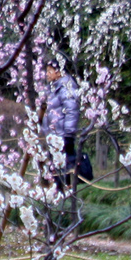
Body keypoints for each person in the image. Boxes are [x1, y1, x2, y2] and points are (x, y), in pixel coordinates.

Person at [40, 57, 91, 185]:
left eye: (49, 71)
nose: (47, 74)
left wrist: (68, 133)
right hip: (54, 135)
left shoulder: (66, 87)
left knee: (64, 167)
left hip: (62, 135)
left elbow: (72, 110)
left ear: (58, 72)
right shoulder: (55, 88)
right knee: (56, 168)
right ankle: (58, 192)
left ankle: (65, 192)